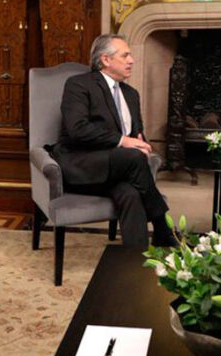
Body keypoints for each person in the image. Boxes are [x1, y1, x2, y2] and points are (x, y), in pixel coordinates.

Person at [49, 34, 176, 248]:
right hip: (82, 165)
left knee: (131, 193)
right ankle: (162, 227)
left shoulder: (131, 94)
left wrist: (141, 142)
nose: (131, 60)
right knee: (134, 157)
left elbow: (136, 135)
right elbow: (77, 129)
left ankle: (136, 262)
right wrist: (123, 141)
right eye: (125, 55)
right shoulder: (79, 85)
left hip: (118, 169)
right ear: (106, 60)